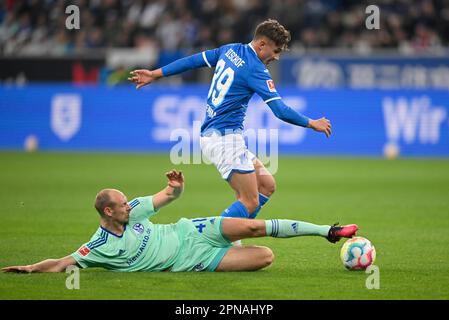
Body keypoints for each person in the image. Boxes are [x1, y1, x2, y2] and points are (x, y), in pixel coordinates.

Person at [128, 19, 332, 222]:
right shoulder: (256, 69)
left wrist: (156, 73)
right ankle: (211, 239)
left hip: (221, 136)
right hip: (224, 140)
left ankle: (234, 238)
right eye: (276, 50)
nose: (277, 57)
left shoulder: (230, 49)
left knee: (266, 185)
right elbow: (279, 110)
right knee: (249, 201)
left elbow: (194, 61)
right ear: (262, 45)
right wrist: (311, 122)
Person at [2, 170, 357, 273]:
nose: (129, 206)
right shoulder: (99, 247)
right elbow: (64, 262)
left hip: (191, 230)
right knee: (264, 256)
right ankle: (239, 223)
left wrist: (176, 188)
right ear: (108, 212)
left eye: (128, 202)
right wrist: (32, 268)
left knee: (251, 227)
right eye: (122, 204)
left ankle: (328, 231)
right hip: (192, 261)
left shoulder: (136, 209)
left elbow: (166, 198)